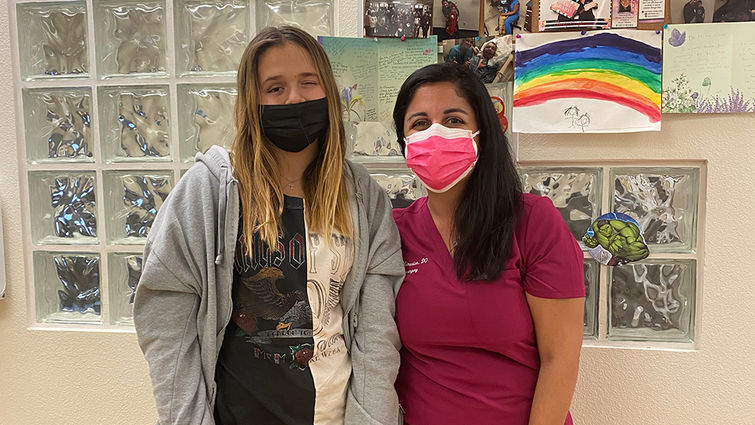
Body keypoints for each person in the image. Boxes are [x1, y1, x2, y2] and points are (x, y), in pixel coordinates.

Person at [134, 26, 404, 425]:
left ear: (328, 91)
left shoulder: (364, 197)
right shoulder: (210, 190)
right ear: (251, 100)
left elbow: (377, 335)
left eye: (307, 83)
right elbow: (166, 319)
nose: (294, 98)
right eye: (274, 88)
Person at [391, 63, 585, 425]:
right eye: (419, 123)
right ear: (403, 143)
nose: (435, 133)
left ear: (482, 132)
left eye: (453, 120)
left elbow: (560, 359)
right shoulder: (393, 232)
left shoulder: (533, 223)